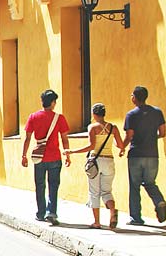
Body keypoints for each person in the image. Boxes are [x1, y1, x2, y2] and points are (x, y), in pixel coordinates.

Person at [64, 103, 125, 229]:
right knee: (106, 191)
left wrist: (72, 151)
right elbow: (120, 145)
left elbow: (91, 146)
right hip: (109, 161)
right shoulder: (113, 127)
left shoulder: (92, 127)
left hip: (96, 162)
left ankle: (97, 222)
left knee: (94, 192)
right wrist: (114, 143)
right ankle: (112, 210)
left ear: (94, 114)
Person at [20, 89, 71, 225]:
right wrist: (67, 154)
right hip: (54, 156)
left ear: (42, 102)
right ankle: (51, 212)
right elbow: (64, 138)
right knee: (53, 185)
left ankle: (41, 213)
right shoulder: (59, 118)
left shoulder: (33, 117)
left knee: (40, 185)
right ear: (53, 103)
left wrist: (24, 155)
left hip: (39, 158)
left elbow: (28, 138)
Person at [124, 85, 166, 225]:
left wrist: (121, 147)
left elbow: (129, 135)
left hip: (136, 154)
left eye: (132, 95)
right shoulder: (157, 112)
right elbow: (163, 133)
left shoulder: (131, 115)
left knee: (134, 186)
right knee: (150, 183)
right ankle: (159, 201)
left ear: (135, 98)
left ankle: (136, 217)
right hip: (152, 154)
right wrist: (151, 137)